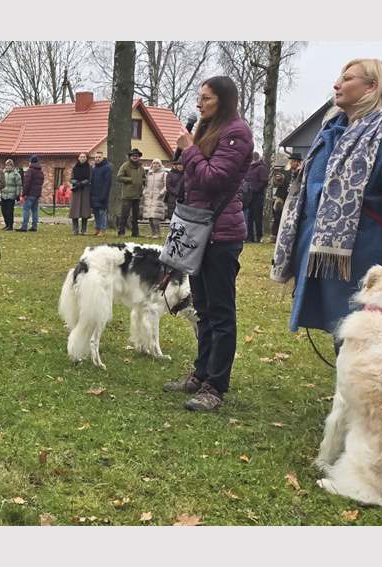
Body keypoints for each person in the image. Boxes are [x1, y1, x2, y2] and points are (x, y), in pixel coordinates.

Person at [271, 59, 382, 360]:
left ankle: (375, 401)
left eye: (347, 79)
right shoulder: (331, 131)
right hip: (326, 256)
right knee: (344, 336)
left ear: (371, 86)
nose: (337, 85)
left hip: (364, 261)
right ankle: (355, 398)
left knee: (368, 341)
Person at [162, 76, 254, 412]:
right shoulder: (206, 130)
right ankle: (201, 373)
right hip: (197, 231)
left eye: (207, 99)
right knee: (202, 308)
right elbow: (191, 180)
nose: (199, 104)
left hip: (222, 234)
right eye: (198, 98)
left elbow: (215, 179)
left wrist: (189, 151)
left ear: (225, 100)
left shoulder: (237, 133)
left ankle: (216, 385)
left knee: (220, 312)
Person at [116, 148, 145, 237]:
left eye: (136, 156)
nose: (135, 157)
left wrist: (143, 181)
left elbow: (144, 177)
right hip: (127, 195)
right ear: (130, 157)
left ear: (139, 157)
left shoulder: (141, 167)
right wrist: (131, 180)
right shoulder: (125, 166)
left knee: (136, 216)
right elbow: (119, 177)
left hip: (137, 195)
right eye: (133, 156)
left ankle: (135, 233)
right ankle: (121, 232)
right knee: (124, 215)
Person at [271, 152, 301, 238]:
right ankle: (274, 235)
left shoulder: (300, 173)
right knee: (278, 217)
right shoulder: (284, 171)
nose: (295, 163)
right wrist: (278, 179)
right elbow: (276, 183)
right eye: (293, 161)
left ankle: (288, 235)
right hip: (282, 197)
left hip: (293, 198)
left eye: (297, 161)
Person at [242, 152, 269, 242]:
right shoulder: (248, 168)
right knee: (249, 218)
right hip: (248, 197)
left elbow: (264, 181)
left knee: (257, 218)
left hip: (257, 197)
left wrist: (255, 188)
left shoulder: (261, 168)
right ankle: (250, 237)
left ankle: (259, 237)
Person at [141, 158, 168, 239]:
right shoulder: (149, 174)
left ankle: (158, 233)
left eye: (157, 163)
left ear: (160, 165)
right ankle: (153, 233)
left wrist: (161, 193)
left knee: (155, 217)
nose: (155, 165)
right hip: (148, 197)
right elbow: (145, 185)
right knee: (149, 216)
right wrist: (144, 192)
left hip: (158, 197)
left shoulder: (164, 174)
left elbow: (166, 186)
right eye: (154, 163)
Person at [17, 155, 43, 232]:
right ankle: (34, 226)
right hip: (37, 194)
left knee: (26, 210)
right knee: (35, 211)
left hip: (30, 194)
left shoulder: (30, 171)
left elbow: (26, 183)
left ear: (31, 162)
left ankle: (24, 227)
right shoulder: (40, 171)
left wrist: (23, 194)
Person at [69, 153, 93, 235]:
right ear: (78, 158)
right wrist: (76, 182)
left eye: (84, 157)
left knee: (84, 211)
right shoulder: (75, 167)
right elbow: (71, 178)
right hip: (76, 191)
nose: (82, 158)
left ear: (86, 158)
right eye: (81, 157)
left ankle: (84, 230)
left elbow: (90, 178)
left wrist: (83, 183)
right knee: (75, 211)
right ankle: (75, 230)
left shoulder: (89, 168)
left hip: (85, 190)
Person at [90, 150, 112, 237]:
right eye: (96, 157)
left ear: (102, 158)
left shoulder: (107, 168)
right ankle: (97, 228)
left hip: (102, 194)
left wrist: (104, 195)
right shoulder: (94, 168)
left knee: (102, 212)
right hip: (94, 194)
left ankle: (103, 229)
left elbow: (107, 183)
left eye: (99, 157)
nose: (97, 159)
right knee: (95, 213)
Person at [0, 158, 21, 230]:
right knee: (3, 211)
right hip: (3, 195)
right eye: (7, 165)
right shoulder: (3, 173)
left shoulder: (16, 174)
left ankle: (10, 226)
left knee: (9, 211)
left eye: (9, 165)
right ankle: (6, 224)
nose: (7, 166)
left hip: (11, 195)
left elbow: (18, 185)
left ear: (12, 166)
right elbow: (0, 183)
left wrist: (18, 194)